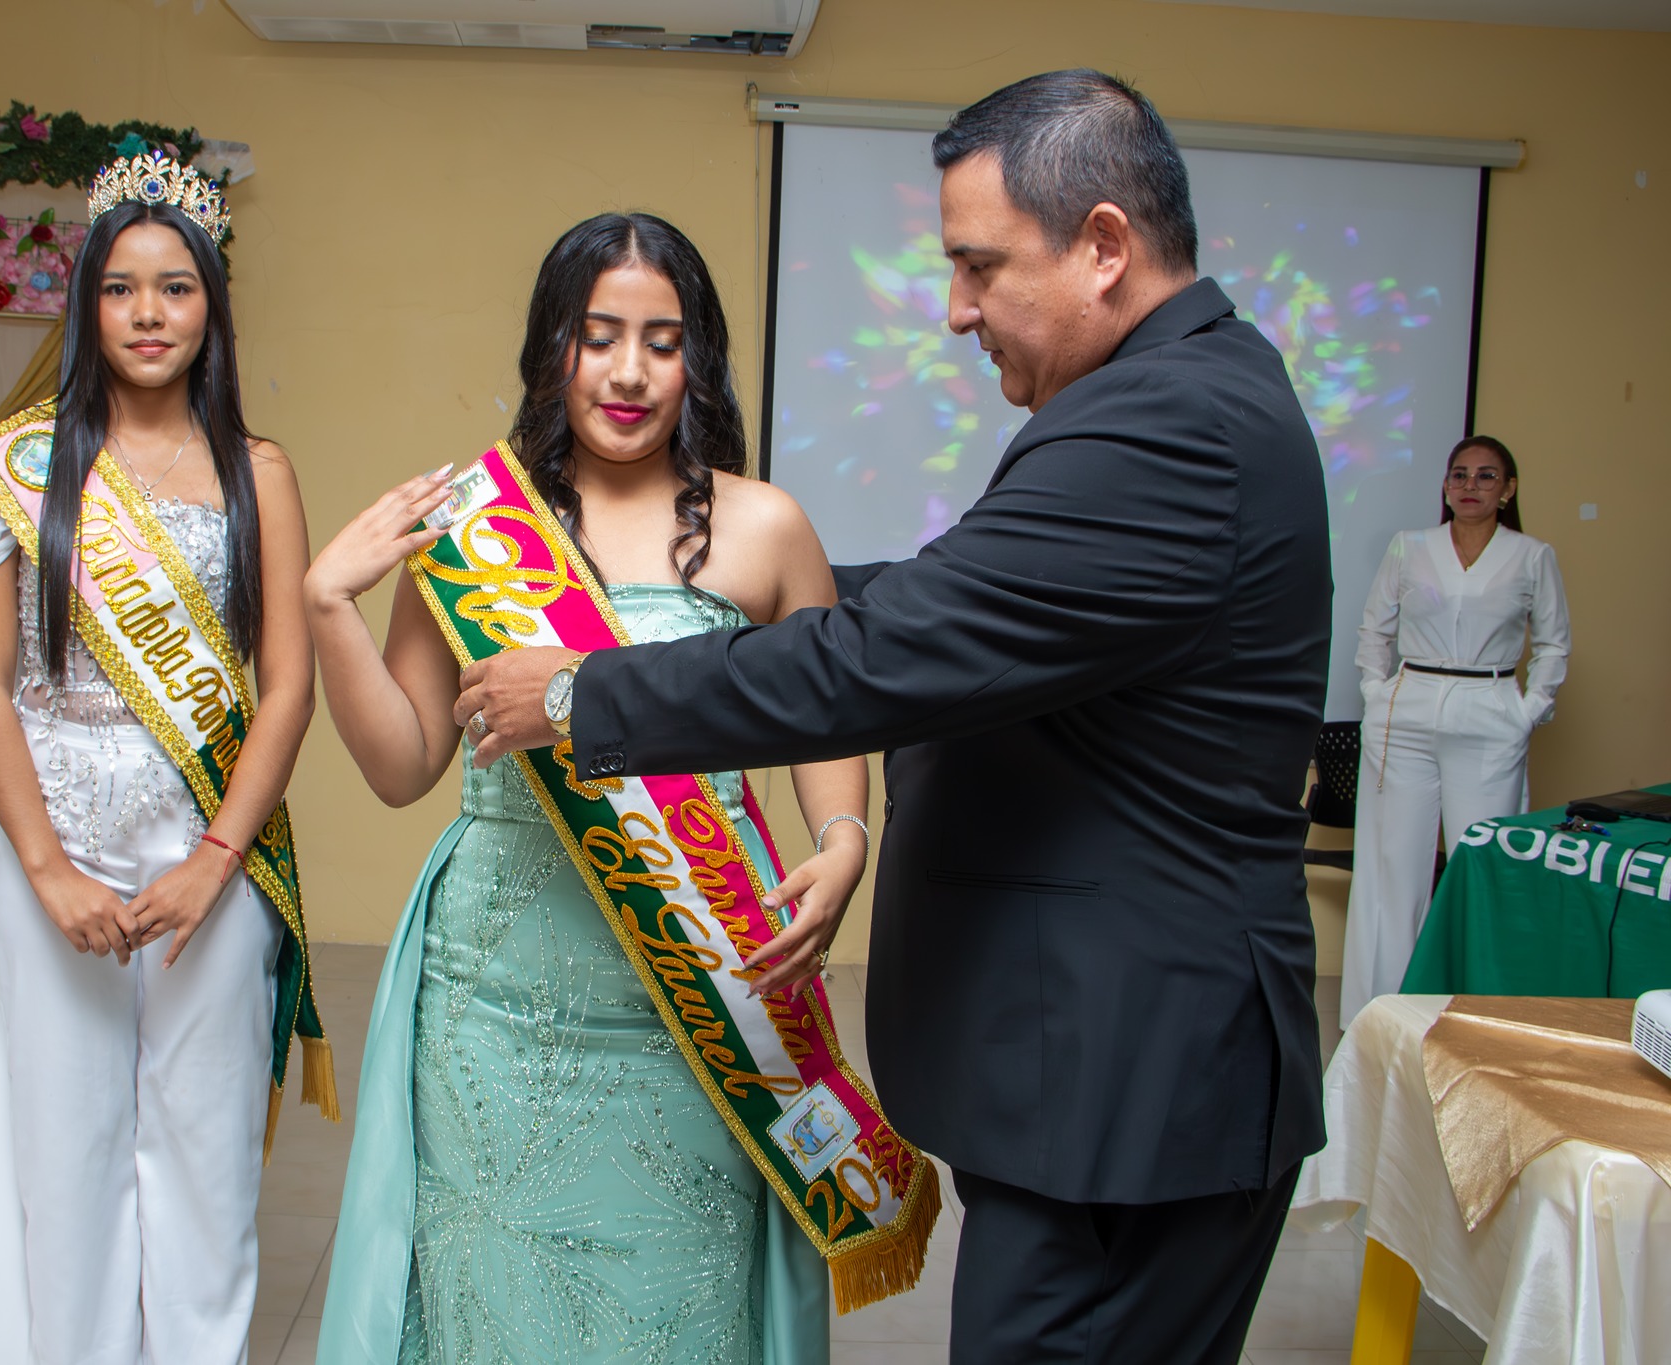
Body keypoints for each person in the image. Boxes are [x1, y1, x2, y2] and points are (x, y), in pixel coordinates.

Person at [457, 72, 1333, 1365]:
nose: (956, 309)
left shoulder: (1165, 427)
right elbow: (967, 604)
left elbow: (892, 656)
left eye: (979, 267)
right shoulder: (1177, 393)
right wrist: (732, 596)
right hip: (1111, 1078)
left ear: (1102, 245)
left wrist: (585, 689)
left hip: (1127, 1090)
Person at [309, 212, 866, 1363]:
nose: (627, 372)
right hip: (496, 1003)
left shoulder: (764, 526)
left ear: (697, 357)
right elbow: (403, 767)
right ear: (550, 347)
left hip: (696, 983)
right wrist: (326, 608)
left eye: (661, 341)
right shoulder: (473, 527)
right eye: (598, 335)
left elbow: (828, 712)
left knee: (676, 1297)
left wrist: (845, 836)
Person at [0, 152, 331, 1365]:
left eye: (176, 288)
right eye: (121, 288)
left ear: (211, 307)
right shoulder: (16, 468)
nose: (149, 314)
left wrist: (215, 860)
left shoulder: (259, 470)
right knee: (69, 1144)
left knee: (204, 1143)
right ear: (86, 304)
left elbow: (286, 686)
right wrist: (46, 870)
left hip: (204, 837)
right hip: (54, 838)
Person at [1339, 435, 1569, 1027]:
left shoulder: (1531, 556)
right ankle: (1379, 1013)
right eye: (1459, 475)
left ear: (1508, 490)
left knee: (1481, 862)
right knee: (1392, 868)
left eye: (1486, 476)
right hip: (1406, 711)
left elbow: (1552, 644)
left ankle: (1474, 1014)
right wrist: (1376, 693)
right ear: (1445, 486)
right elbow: (1375, 630)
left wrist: (1528, 710)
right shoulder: (1410, 547)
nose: (1470, 486)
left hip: (1489, 710)